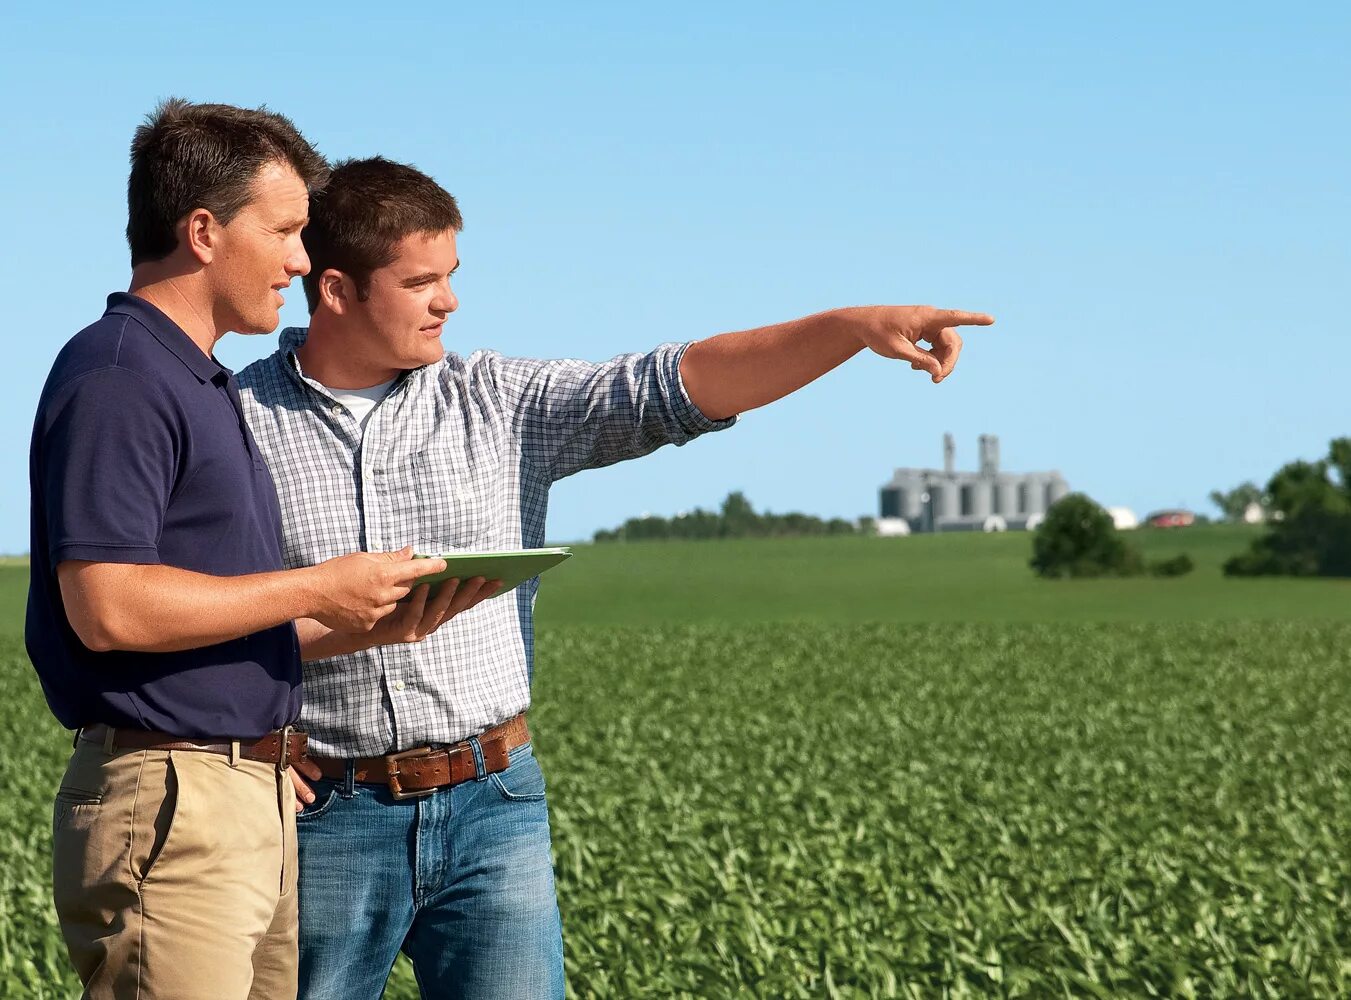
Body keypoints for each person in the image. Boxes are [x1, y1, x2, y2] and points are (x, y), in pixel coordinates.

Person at [237, 155, 993, 1000]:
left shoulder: (500, 399)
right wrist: (240, 741)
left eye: (451, 277)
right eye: (421, 283)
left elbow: (672, 387)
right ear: (337, 291)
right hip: (320, 817)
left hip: (494, 802)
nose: (449, 301)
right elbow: (187, 613)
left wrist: (851, 328)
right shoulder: (231, 421)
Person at [25, 102, 490, 1000]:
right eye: (282, 230)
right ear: (203, 231)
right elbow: (110, 607)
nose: (302, 261)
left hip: (241, 799)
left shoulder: (197, 381)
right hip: (175, 804)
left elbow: (199, 629)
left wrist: (371, 624)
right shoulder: (122, 376)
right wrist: (317, 584)